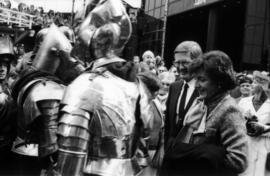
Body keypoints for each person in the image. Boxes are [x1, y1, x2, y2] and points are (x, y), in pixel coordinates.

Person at [51, 0, 155, 175]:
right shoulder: (138, 85)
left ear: (92, 45)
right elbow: (142, 150)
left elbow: (70, 159)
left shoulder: (83, 86)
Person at [11, 24, 84, 175]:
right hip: (35, 157)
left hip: (21, 149)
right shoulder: (49, 90)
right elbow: (50, 146)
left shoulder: (31, 80)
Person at [161, 50, 248, 176]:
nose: (196, 85)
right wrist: (188, 127)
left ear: (219, 81)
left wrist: (204, 154)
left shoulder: (229, 110)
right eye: (196, 79)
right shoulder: (201, 104)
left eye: (202, 80)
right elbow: (182, 147)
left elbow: (239, 161)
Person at [163, 41, 202, 152]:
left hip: (192, 158)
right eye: (177, 63)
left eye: (185, 62)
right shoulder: (174, 87)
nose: (180, 67)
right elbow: (168, 126)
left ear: (198, 62)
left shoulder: (206, 90)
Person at [239, 71, 270, 176]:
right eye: (254, 81)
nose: (252, 85)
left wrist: (264, 128)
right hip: (246, 144)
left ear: (264, 85)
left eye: (256, 82)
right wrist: (245, 120)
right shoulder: (244, 101)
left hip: (264, 146)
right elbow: (235, 124)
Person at [0, 35, 18, 175]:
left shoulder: (10, 88)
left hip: (8, 145)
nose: (1, 68)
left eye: (5, 64)